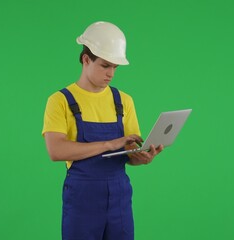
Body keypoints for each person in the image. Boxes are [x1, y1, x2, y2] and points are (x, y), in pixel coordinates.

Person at [42, 21, 163, 240]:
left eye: (115, 67)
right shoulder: (60, 101)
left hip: (119, 198)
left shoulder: (123, 101)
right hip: (82, 198)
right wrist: (109, 144)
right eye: (105, 66)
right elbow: (56, 150)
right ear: (86, 59)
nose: (111, 74)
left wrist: (143, 157)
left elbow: (129, 154)